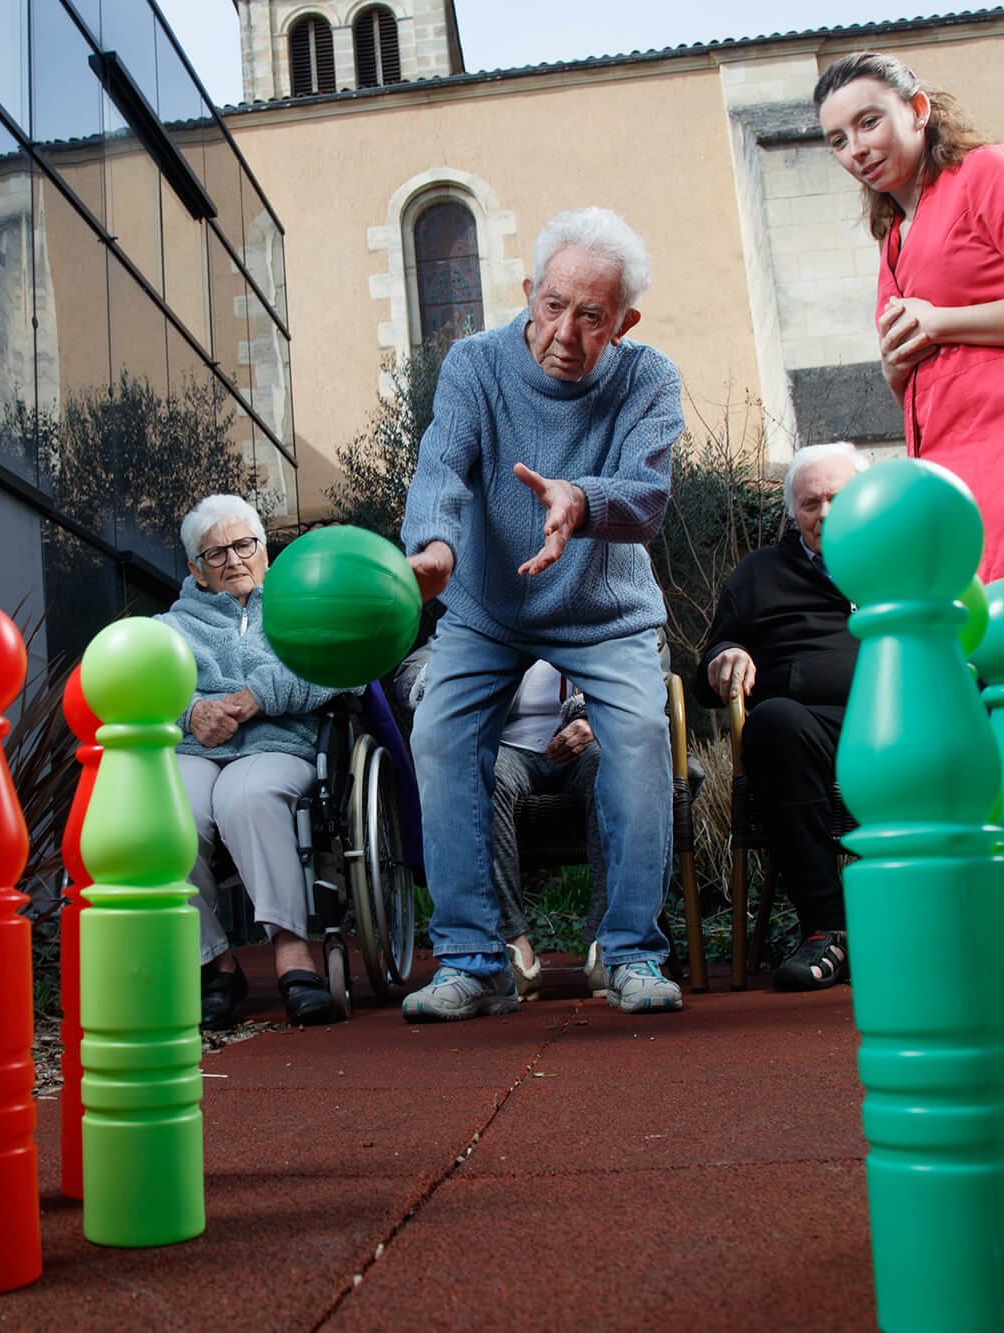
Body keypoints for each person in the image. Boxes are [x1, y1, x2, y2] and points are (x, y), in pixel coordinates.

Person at [397, 206, 682, 1022]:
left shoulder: (649, 378)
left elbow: (648, 496)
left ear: (622, 322)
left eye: (592, 316)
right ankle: (475, 961)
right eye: (553, 304)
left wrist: (581, 499)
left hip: (606, 610)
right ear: (528, 292)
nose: (565, 330)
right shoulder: (475, 366)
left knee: (635, 739)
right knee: (439, 731)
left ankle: (631, 952)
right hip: (487, 607)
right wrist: (437, 549)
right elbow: (443, 465)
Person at [814, 50, 1004, 582]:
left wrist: (943, 321)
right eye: (838, 140)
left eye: (869, 121)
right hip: (947, 483)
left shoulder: (988, 171)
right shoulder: (892, 238)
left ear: (919, 110)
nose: (856, 149)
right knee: (984, 655)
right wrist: (895, 375)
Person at [157, 494, 347, 1029]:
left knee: (248, 796)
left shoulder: (300, 605)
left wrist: (261, 693)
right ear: (195, 569)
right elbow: (140, 689)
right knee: (165, 815)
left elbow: (345, 665)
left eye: (244, 545)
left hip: (278, 743)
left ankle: (292, 952)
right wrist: (189, 713)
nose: (233, 560)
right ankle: (215, 962)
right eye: (215, 554)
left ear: (265, 552)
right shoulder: (168, 628)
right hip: (196, 748)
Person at [695, 442, 868, 990]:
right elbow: (705, 674)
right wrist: (727, 657)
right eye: (811, 503)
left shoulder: (899, 554)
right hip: (808, 732)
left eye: (838, 498)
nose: (826, 514)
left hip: (897, 718)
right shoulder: (760, 573)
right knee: (772, 722)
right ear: (792, 513)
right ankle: (829, 929)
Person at [398, 647, 603, 1001]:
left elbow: (647, 668)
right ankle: (511, 943)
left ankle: (609, 942)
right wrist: (457, 677)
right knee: (480, 772)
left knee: (612, 765)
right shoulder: (492, 609)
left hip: (589, 742)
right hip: (507, 745)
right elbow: (410, 674)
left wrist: (593, 720)